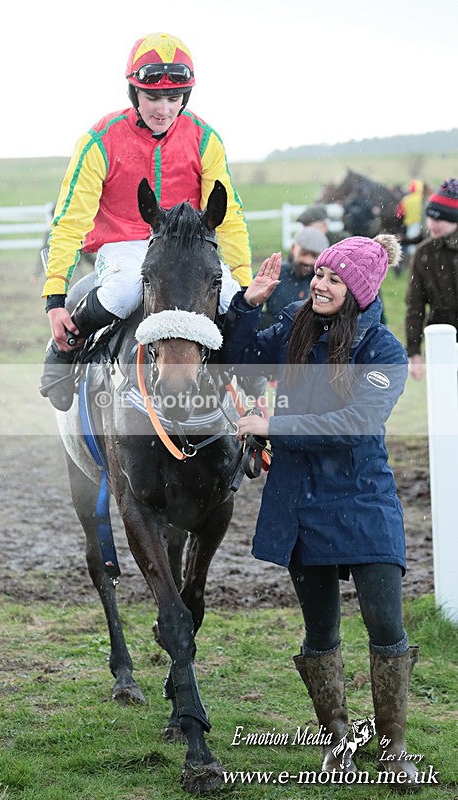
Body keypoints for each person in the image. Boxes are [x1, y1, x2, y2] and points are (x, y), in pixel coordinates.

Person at [220, 235, 420, 779]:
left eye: (334, 279)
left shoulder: (382, 350)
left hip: (362, 496)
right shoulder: (293, 323)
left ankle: (394, 749)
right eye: (319, 274)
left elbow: (355, 424)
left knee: (386, 627)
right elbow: (238, 363)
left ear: (358, 290)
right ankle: (336, 742)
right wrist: (247, 306)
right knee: (320, 632)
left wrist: (274, 425)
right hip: (299, 500)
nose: (320, 284)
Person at [39, 32, 252, 411]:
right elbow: (70, 221)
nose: (164, 109)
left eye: (174, 98)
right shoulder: (99, 140)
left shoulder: (205, 139)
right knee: (124, 291)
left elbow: (229, 216)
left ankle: (250, 392)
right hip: (123, 245)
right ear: (134, 92)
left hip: (187, 248)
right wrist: (55, 297)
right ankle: (65, 348)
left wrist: (245, 280)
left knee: (232, 299)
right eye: (153, 97)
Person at [405, 178, 458, 381]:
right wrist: (414, 352)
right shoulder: (424, 253)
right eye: (429, 218)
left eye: (439, 220)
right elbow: (415, 305)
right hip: (441, 341)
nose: (431, 224)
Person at [261, 226, 329, 328]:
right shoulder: (275, 274)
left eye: (314, 255)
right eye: (304, 253)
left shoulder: (325, 282)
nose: (308, 261)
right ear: (293, 248)